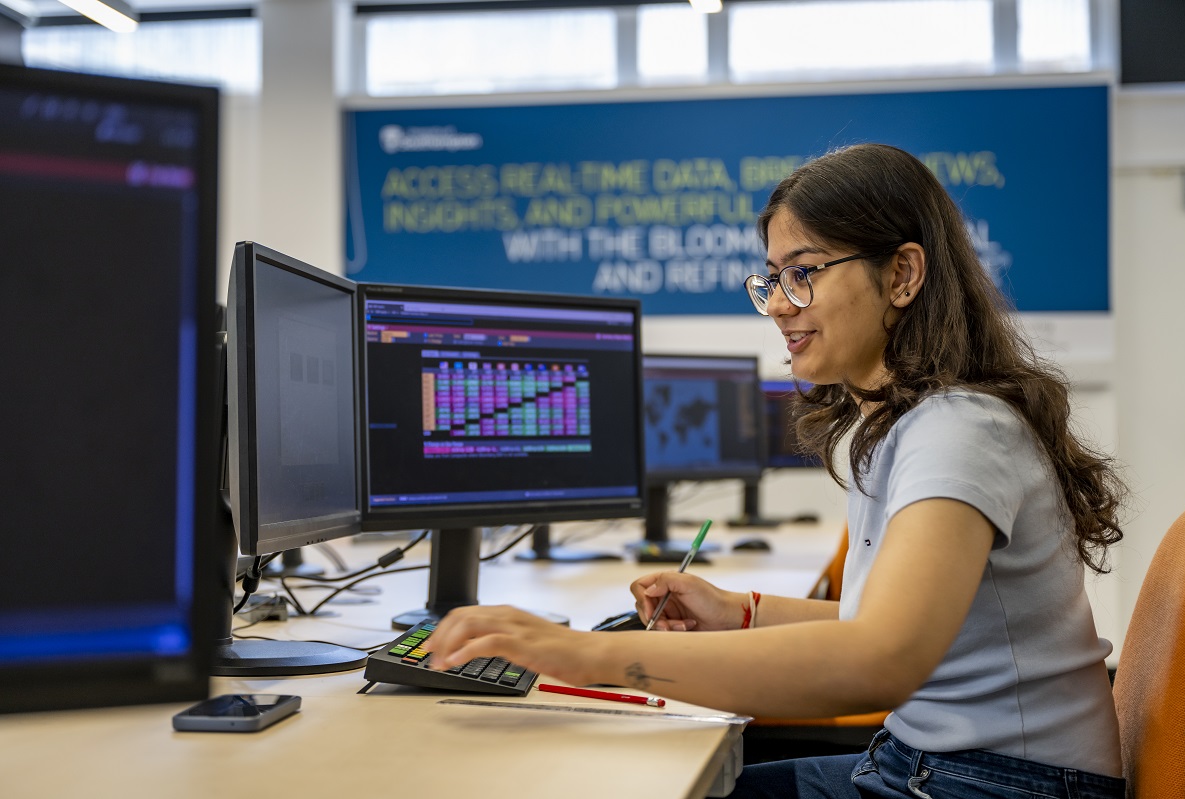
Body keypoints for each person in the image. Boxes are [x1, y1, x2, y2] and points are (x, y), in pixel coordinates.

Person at [425, 143, 1127, 799]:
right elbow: (892, 620)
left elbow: (877, 658)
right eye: (771, 280)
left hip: (993, 782)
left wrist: (581, 654)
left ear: (903, 274)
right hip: (942, 764)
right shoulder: (911, 422)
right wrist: (741, 612)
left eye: (804, 273)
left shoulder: (959, 432)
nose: (780, 306)